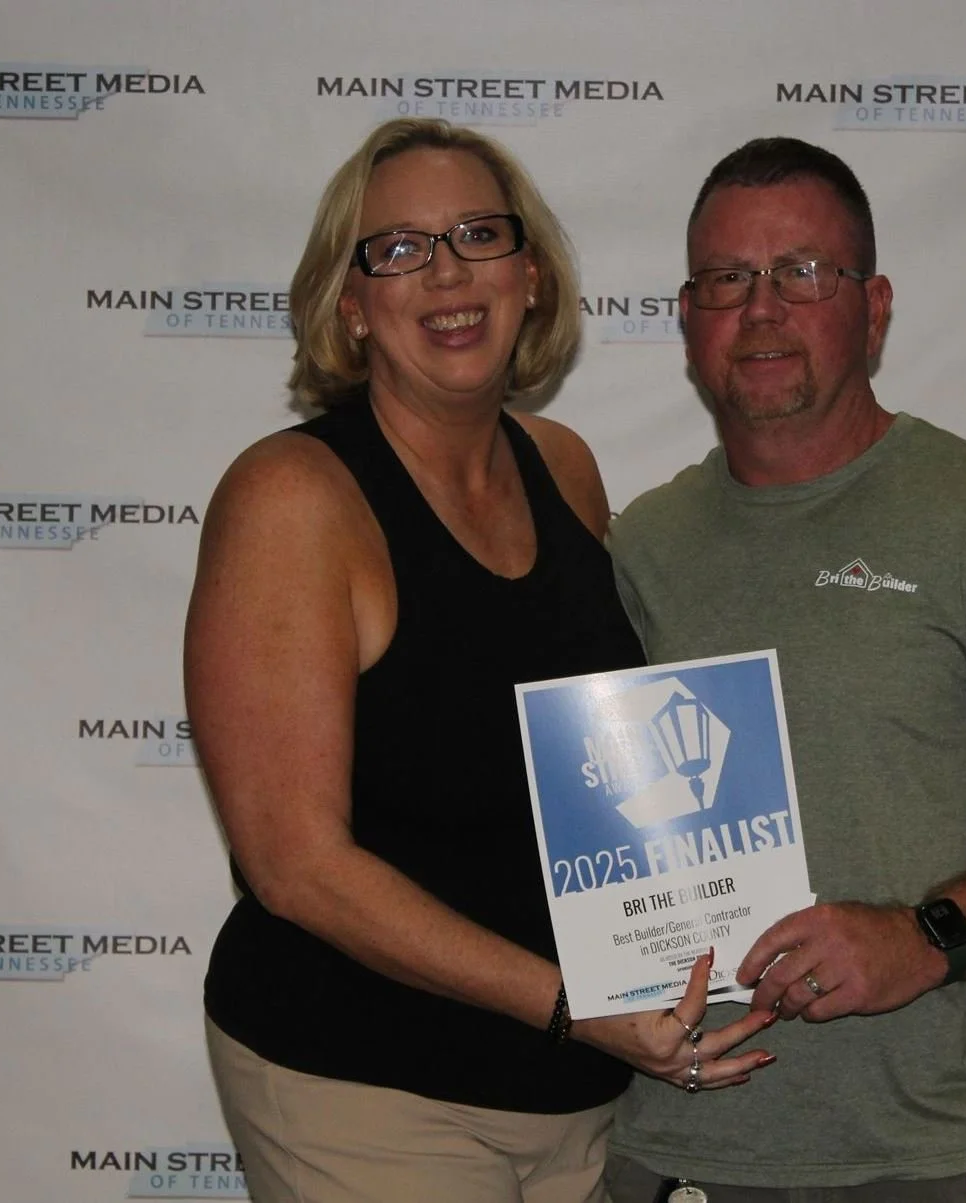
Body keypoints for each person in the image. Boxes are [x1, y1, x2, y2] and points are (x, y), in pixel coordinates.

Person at [185, 119, 774, 1203]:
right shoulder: (293, 501)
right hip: (365, 1086)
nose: (446, 271)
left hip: (578, 1087)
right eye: (398, 248)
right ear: (350, 305)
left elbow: (615, 773)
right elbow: (293, 865)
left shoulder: (563, 466)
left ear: (531, 275)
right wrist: (570, 1000)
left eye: (477, 234)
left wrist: (703, 942)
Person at [602, 138, 966, 1202]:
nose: (763, 308)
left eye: (803, 273)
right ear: (687, 322)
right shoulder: (638, 547)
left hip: (926, 1160)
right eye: (728, 279)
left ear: (872, 309)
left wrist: (929, 938)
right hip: (672, 1149)